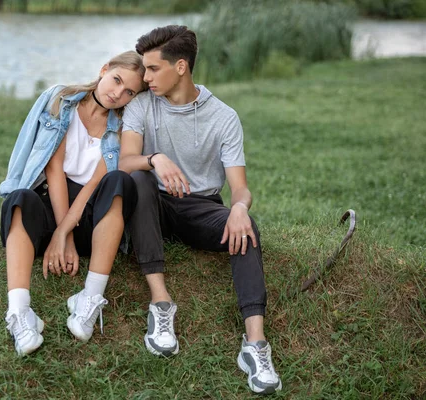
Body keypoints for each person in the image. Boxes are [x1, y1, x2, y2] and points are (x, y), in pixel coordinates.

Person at [118, 26, 282, 394]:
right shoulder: (142, 105)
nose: (145, 78)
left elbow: (239, 187)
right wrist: (155, 158)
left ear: (180, 67)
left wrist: (240, 207)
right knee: (140, 180)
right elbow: (125, 162)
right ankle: (161, 305)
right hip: (152, 206)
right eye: (144, 69)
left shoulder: (224, 117)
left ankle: (254, 345)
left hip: (200, 208)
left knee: (246, 226)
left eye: (153, 69)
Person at [0, 51, 147, 356]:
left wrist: (64, 234)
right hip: (51, 204)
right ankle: (20, 313)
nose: (118, 93)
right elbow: (54, 171)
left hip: (93, 220)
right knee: (20, 199)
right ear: (104, 69)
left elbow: (94, 184)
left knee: (119, 182)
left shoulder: (122, 127)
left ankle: (90, 299)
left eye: (129, 91)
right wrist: (57, 232)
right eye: (116, 80)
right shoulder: (61, 100)